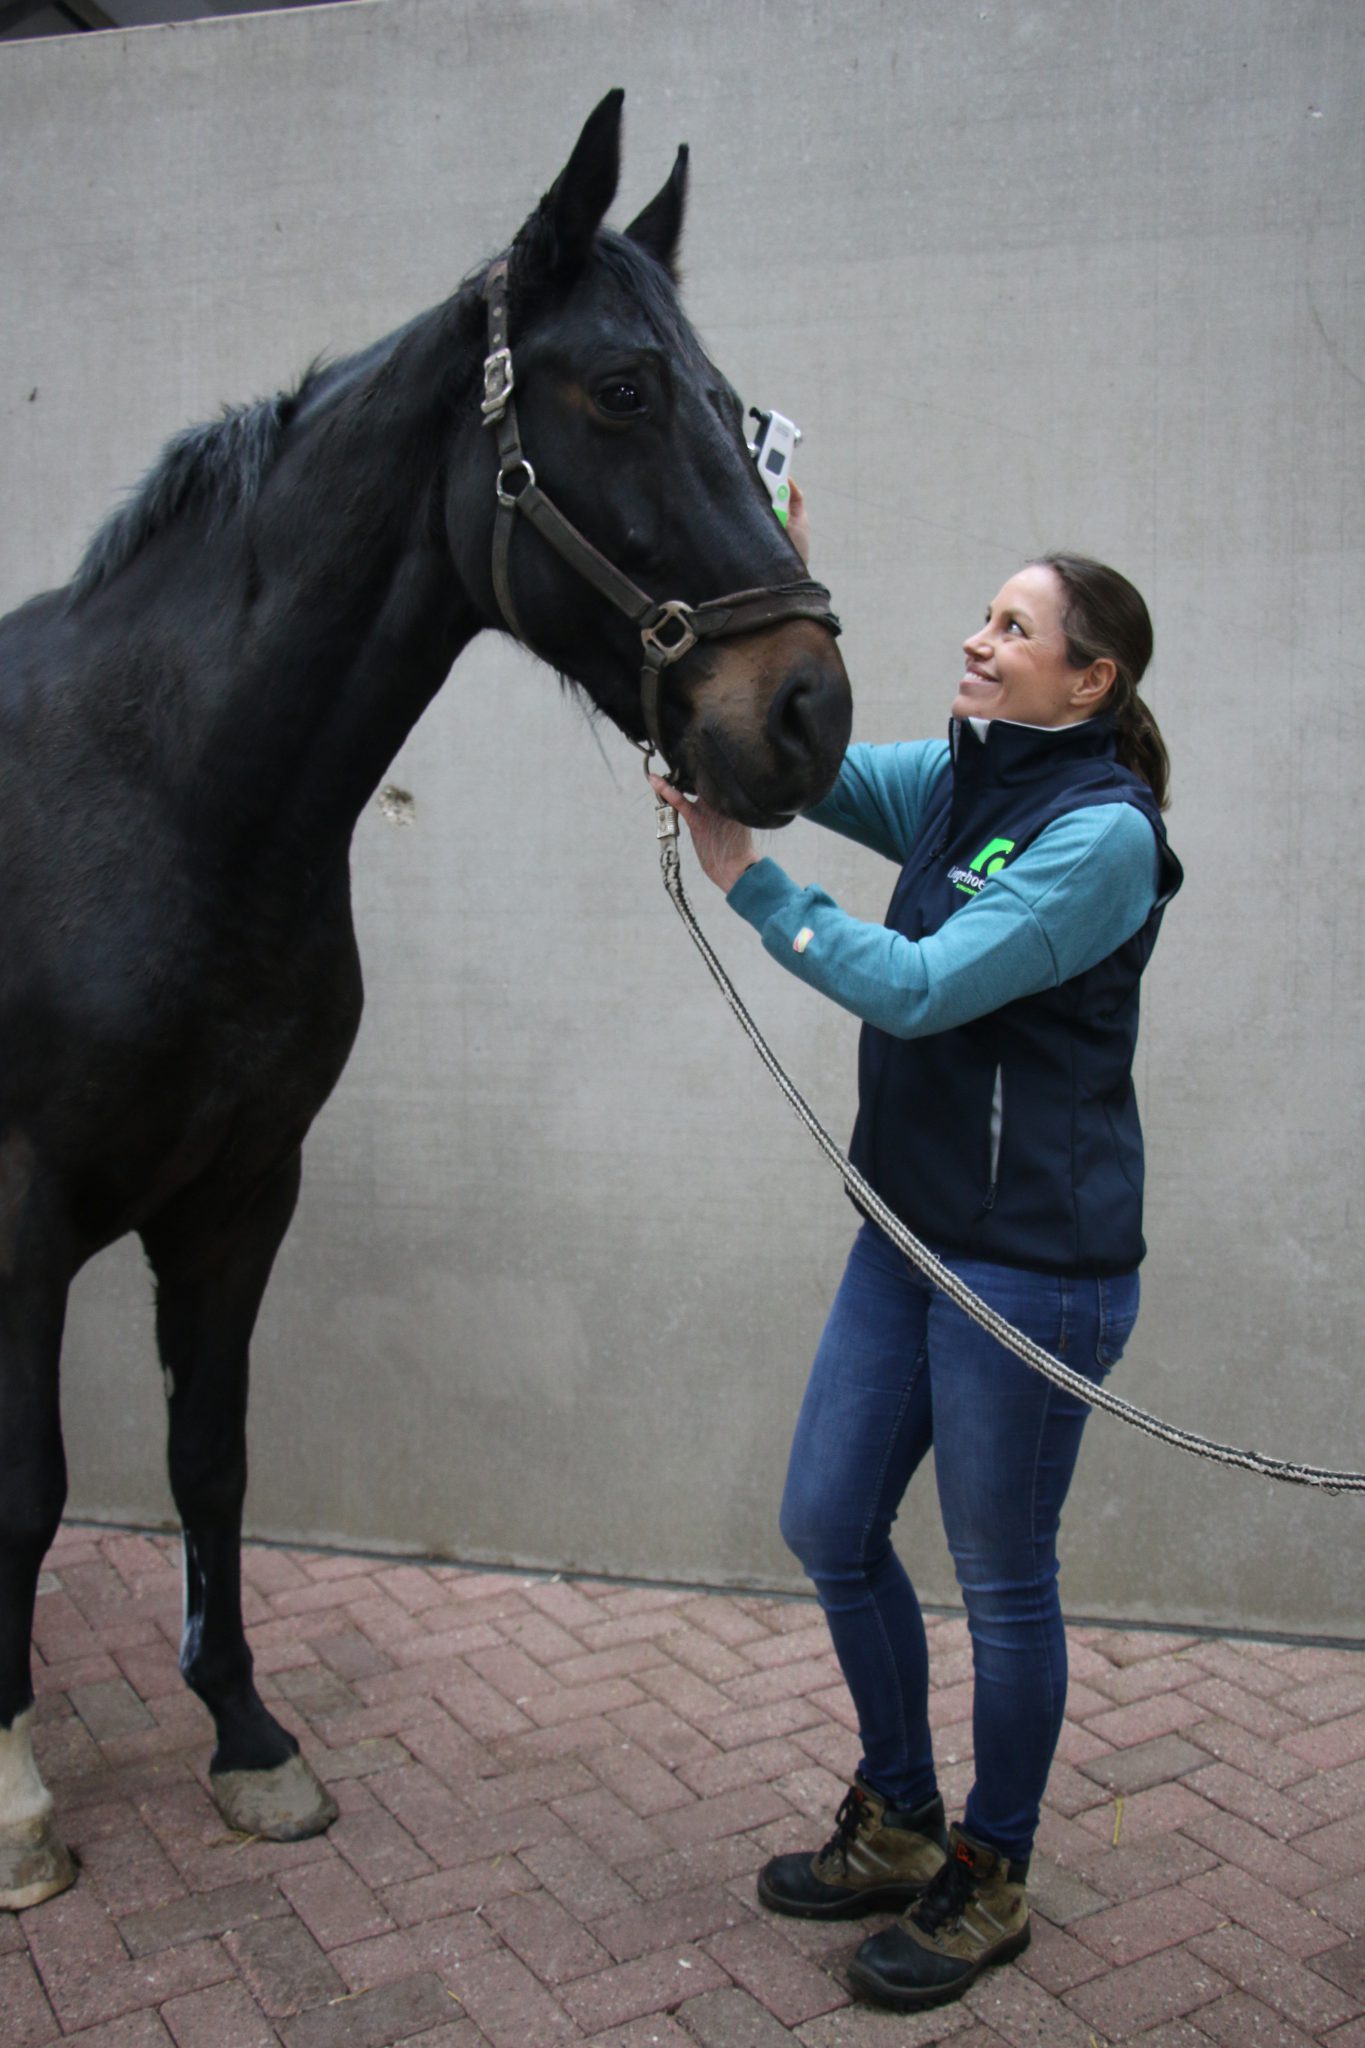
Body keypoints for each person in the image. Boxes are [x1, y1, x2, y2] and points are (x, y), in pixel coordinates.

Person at [652, 486, 1181, 2014]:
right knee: (828, 1520)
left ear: (1088, 682)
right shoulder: (955, 779)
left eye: (1013, 627)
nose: (977, 636)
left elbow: (920, 987)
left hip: (1033, 1270)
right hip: (905, 1235)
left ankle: (989, 1870)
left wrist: (746, 874)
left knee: (1003, 1585)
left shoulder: (1099, 839)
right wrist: (734, 643)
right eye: (984, 612)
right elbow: (805, 765)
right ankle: (897, 1814)